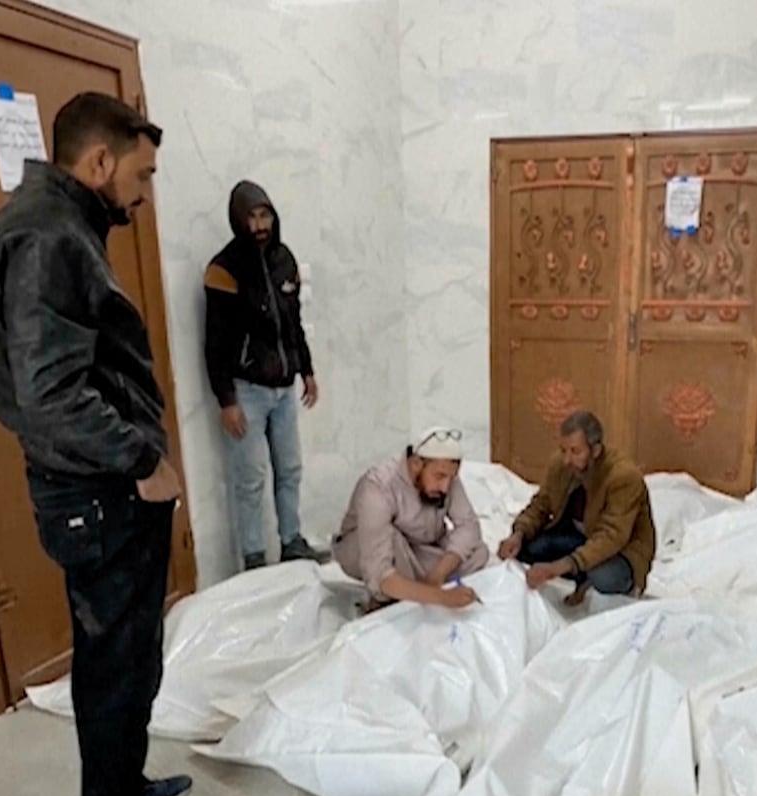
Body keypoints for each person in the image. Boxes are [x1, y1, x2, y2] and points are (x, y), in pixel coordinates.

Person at [0, 91, 212, 796]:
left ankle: (123, 787)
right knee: (112, 664)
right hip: (100, 493)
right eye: (140, 174)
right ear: (99, 161)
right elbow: (48, 396)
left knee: (133, 651)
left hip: (107, 489)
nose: (144, 194)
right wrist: (141, 456)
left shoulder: (61, 224)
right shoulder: (44, 235)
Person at [204, 180, 327, 571]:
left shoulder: (284, 260)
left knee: (290, 469)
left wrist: (305, 370)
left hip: (284, 388)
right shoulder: (222, 270)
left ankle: (292, 542)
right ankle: (255, 559)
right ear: (238, 221)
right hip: (247, 392)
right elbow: (216, 341)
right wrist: (227, 400)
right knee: (251, 478)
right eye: (252, 217)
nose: (260, 225)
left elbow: (293, 323)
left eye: (265, 215)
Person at [498, 410, 656, 606]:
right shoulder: (561, 465)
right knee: (526, 549)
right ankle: (579, 571)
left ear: (595, 451)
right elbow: (541, 504)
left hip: (620, 551)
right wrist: (518, 533)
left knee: (603, 577)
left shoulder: (623, 477)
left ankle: (587, 576)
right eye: (563, 450)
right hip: (579, 540)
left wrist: (558, 567)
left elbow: (611, 536)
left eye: (575, 451)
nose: (566, 459)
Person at [333, 428, 489, 611]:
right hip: (369, 551)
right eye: (439, 477)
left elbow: (469, 526)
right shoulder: (378, 486)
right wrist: (442, 597)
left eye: (451, 478)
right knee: (392, 543)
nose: (445, 488)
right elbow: (378, 569)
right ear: (416, 464)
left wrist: (439, 574)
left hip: (416, 551)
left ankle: (409, 588)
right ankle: (389, 596)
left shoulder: (445, 478)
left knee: (478, 552)